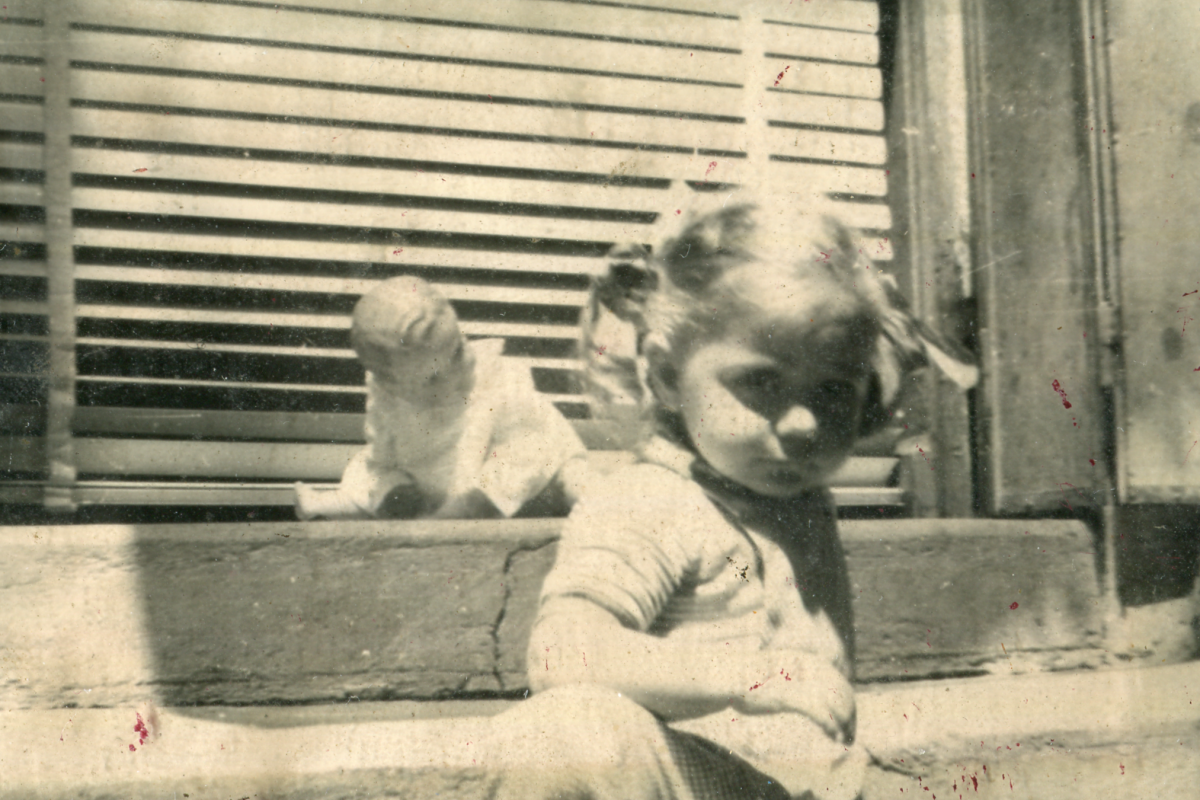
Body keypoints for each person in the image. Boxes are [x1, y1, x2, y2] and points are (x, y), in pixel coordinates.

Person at [482, 199, 976, 800]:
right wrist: (746, 677)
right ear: (665, 375)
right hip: (699, 782)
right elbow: (563, 650)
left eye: (832, 390)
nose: (801, 423)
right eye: (760, 381)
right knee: (562, 740)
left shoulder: (786, 495)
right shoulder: (650, 501)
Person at [294, 276, 587, 521]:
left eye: (458, 350)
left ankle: (598, 507)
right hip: (436, 481)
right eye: (433, 378)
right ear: (394, 385)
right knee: (369, 477)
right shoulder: (387, 398)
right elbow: (382, 453)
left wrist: (474, 502)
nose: (456, 373)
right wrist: (396, 486)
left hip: (518, 475)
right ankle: (327, 505)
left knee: (575, 478)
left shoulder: (497, 378)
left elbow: (526, 454)